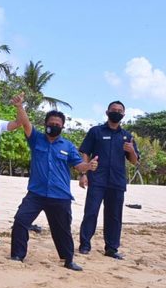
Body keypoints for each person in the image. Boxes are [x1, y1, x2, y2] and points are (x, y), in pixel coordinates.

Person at [9, 97, 98, 270]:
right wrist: (20, 106)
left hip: (60, 195)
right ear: (45, 124)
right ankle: (17, 255)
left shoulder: (68, 146)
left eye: (58, 123)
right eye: (51, 122)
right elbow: (26, 123)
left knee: (62, 229)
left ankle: (68, 259)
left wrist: (88, 166)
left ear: (62, 127)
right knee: (20, 221)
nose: (54, 125)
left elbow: (78, 164)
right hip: (36, 193)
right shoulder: (36, 139)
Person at [77, 100, 140, 259]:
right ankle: (85, 244)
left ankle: (111, 248)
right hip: (97, 179)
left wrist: (131, 150)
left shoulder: (127, 136)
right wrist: (83, 172)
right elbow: (85, 151)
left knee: (114, 216)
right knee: (91, 212)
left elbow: (134, 160)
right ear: (107, 112)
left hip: (117, 182)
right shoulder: (95, 131)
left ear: (123, 115)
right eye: (113, 110)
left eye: (119, 111)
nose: (116, 112)